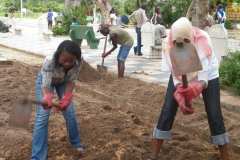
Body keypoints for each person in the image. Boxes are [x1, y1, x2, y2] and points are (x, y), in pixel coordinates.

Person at [151, 17, 230, 160]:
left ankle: (225, 156)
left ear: (192, 38)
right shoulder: (167, 46)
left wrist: (196, 87)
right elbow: (175, 75)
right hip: (180, 73)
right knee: (168, 109)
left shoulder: (203, 40)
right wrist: (180, 94)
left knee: (214, 113)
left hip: (208, 75)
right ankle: (154, 155)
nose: (181, 46)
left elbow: (203, 77)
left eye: (186, 42)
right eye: (177, 43)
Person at [31, 40, 84, 160]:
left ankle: (76, 143)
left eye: (71, 61)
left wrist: (66, 98)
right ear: (58, 54)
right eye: (64, 60)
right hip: (46, 82)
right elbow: (45, 85)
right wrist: (48, 97)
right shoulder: (49, 61)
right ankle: (38, 156)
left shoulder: (78, 62)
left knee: (70, 112)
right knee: (43, 116)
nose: (67, 63)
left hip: (63, 81)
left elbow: (71, 81)